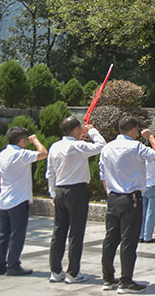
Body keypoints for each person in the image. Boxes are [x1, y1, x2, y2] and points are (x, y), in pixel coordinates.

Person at [99, 116, 155, 293]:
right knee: (129, 240)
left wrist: (109, 193)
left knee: (110, 239)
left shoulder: (107, 148)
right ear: (134, 129)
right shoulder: (136, 147)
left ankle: (107, 278)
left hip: (113, 196)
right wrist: (151, 137)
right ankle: (126, 280)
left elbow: (102, 174)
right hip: (131, 198)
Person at [46, 117, 106, 283]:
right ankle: (73, 273)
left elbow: (50, 172)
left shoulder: (55, 146)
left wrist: (53, 193)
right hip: (76, 190)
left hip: (60, 189)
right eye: (80, 129)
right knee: (76, 232)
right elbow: (102, 145)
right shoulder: (78, 146)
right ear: (75, 129)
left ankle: (55, 271)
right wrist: (92, 131)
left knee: (58, 231)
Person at [0, 126, 48, 276]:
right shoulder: (20, 154)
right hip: (18, 200)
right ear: (22, 140)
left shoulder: (1, 155)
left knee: (2, 234)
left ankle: (0, 265)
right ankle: (13, 265)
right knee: (17, 234)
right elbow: (43, 153)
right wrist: (35, 140)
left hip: (4, 198)